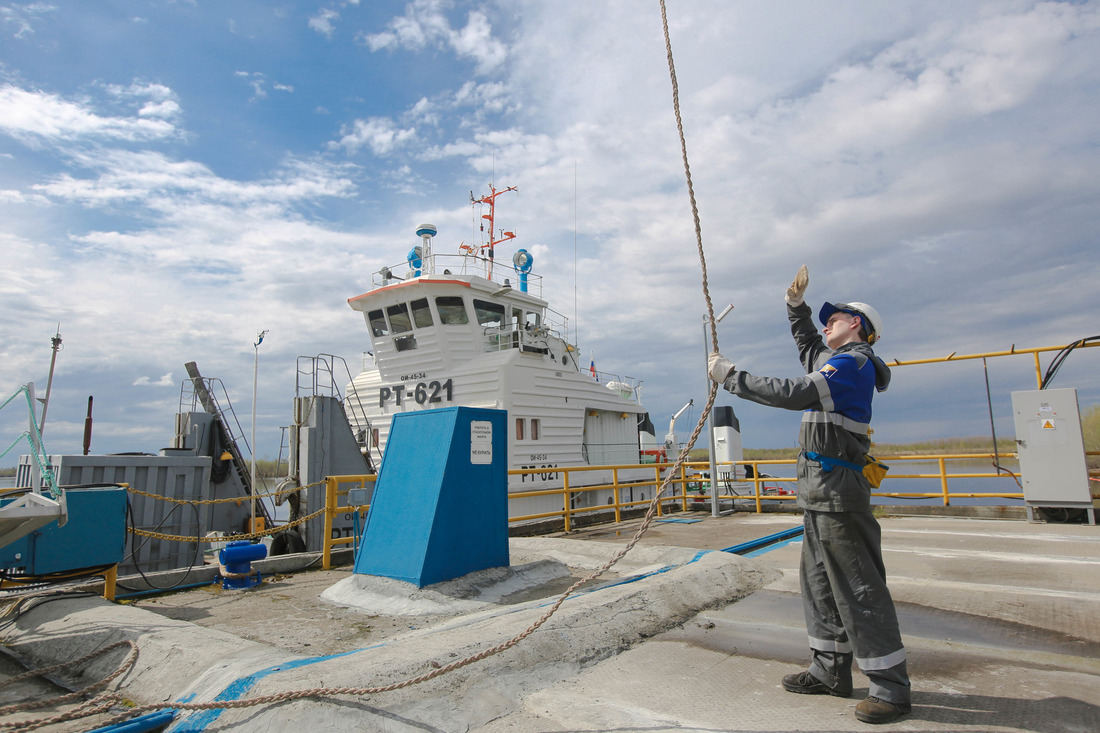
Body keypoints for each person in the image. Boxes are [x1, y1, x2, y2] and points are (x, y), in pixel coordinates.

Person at [707, 265, 911, 725]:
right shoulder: (837, 361)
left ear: (856, 324)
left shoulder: (852, 364)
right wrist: (794, 307)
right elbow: (808, 346)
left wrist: (731, 376)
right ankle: (829, 672)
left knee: (859, 588)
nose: (826, 326)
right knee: (819, 587)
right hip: (821, 496)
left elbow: (796, 391)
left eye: (833, 319)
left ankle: (891, 688)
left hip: (839, 497)